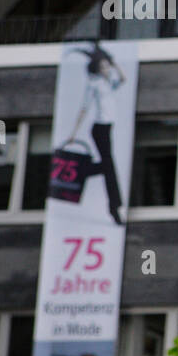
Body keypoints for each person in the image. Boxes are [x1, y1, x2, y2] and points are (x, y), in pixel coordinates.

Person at [61, 42, 128, 225]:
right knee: (109, 167)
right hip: (99, 130)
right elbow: (84, 108)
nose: (107, 69)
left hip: (108, 128)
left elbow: (123, 78)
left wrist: (114, 63)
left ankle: (82, 171)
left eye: (107, 66)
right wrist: (73, 133)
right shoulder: (94, 84)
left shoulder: (109, 82)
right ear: (97, 68)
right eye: (104, 66)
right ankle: (114, 207)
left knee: (108, 166)